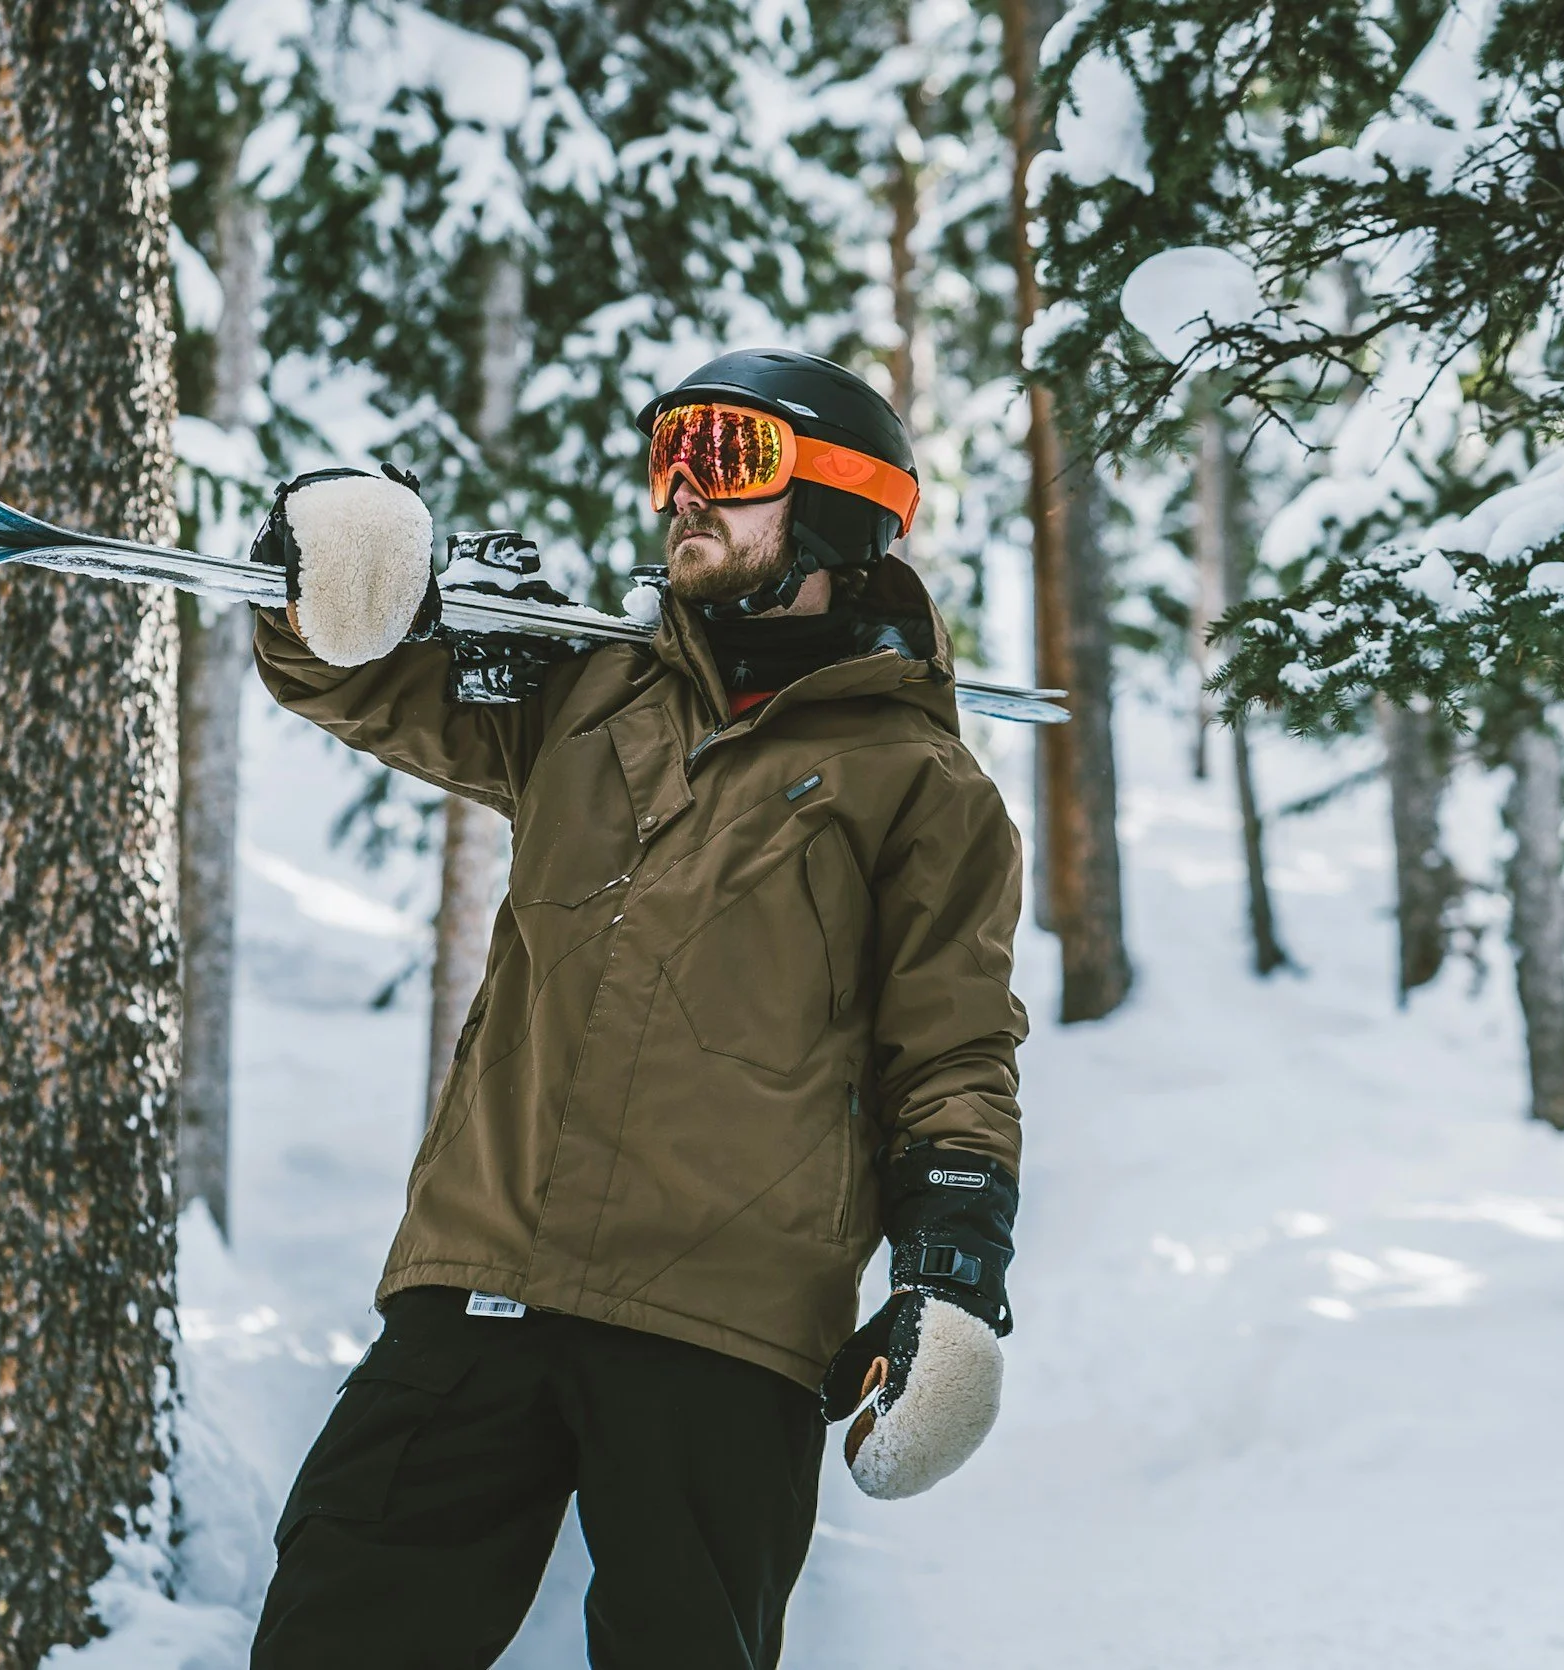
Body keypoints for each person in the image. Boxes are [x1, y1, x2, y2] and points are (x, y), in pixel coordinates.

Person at [244, 349, 1027, 1670]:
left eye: (726, 462)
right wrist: (329, 550)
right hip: (482, 1276)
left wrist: (951, 1277)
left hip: (720, 1325)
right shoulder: (583, 695)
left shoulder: (922, 787)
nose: (682, 497)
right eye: (669, 462)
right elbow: (352, 671)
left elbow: (952, 1056)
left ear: (839, 505)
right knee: (333, 1628)